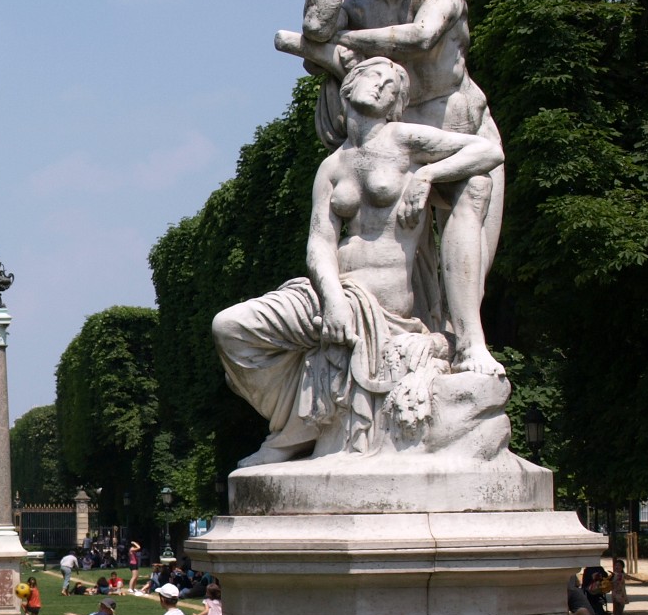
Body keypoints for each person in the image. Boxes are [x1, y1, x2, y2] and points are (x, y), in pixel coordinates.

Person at [212, 56, 504, 464]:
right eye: (375, 74)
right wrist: (331, 299)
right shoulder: (331, 167)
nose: (384, 83)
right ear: (348, 88)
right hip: (333, 291)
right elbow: (320, 242)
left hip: (386, 302)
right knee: (230, 327)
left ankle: (471, 343)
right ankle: (297, 424)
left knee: (476, 183)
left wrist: (427, 176)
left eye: (393, 84)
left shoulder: (403, 139)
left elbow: (485, 151)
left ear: (396, 104)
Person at [274, 0, 507, 378]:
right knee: (412, 282)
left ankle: (471, 345)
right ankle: (428, 350)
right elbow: (315, 27)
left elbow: (422, 38)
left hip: (463, 133)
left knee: (470, 246)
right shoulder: (356, 2)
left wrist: (343, 44)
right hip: (399, 140)